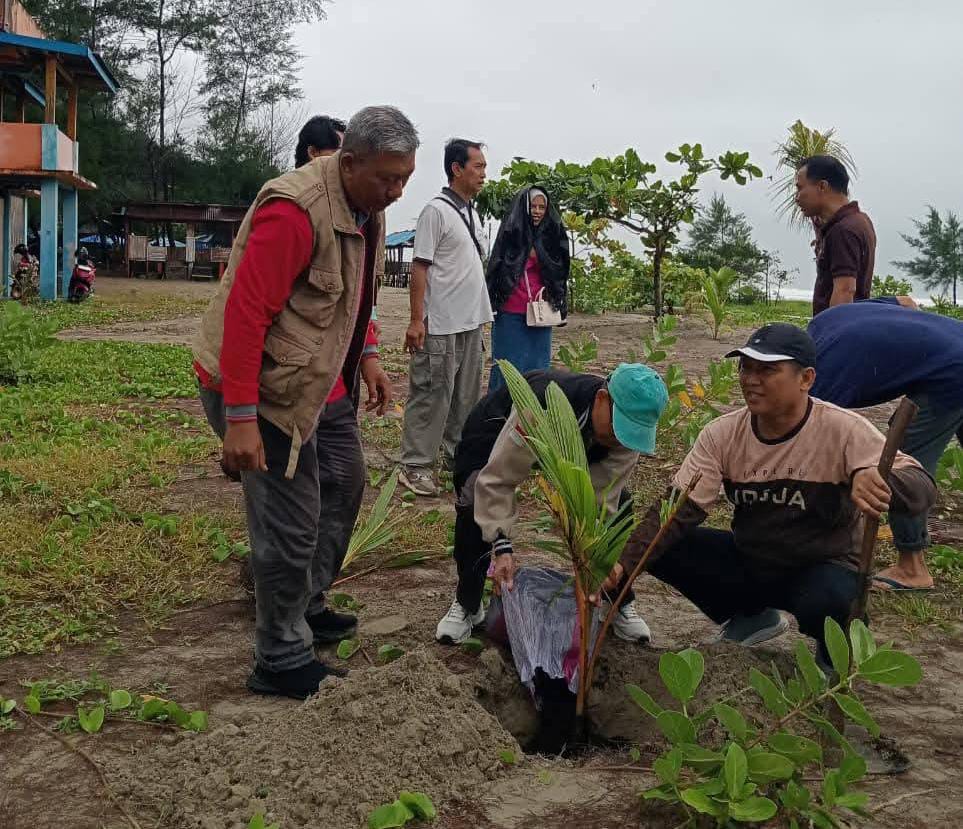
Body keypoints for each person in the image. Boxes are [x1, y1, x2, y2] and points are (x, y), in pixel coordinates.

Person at [192, 106, 418, 699]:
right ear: (349, 163)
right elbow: (246, 316)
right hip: (260, 389)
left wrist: (368, 356)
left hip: (320, 382)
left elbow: (354, 296)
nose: (396, 190)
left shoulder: (369, 207)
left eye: (404, 178)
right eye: (387, 178)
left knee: (344, 482)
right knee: (289, 524)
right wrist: (239, 420)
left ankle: (305, 604)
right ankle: (280, 656)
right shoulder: (294, 213)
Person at [599, 324, 937, 667]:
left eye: (767, 369)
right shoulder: (723, 434)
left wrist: (877, 479)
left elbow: (921, 484)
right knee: (666, 545)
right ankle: (752, 617)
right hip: (753, 559)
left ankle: (832, 656)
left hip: (821, 567)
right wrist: (623, 567)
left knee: (834, 598)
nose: (750, 379)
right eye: (746, 367)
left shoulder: (841, 429)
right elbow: (675, 511)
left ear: (805, 379)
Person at [435, 364, 668, 645]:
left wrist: (590, 570)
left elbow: (601, 502)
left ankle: (616, 599)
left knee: (621, 509)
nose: (622, 438)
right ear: (602, 399)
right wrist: (502, 547)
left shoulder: (625, 441)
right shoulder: (542, 404)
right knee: (473, 496)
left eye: (632, 433)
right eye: (620, 427)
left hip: (579, 442)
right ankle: (468, 604)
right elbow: (499, 480)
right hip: (499, 427)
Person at [809, 298, 963, 590]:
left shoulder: (820, 377)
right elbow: (906, 302)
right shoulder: (824, 321)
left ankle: (912, 567)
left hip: (951, 372)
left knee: (903, 462)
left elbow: (816, 442)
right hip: (956, 342)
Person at [399, 139, 494, 497]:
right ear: (457, 169)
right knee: (432, 394)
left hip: (470, 322)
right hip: (439, 323)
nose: (484, 174)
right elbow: (419, 267)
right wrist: (415, 320)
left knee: (465, 398)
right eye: (478, 167)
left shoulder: (470, 212)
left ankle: (458, 457)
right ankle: (416, 465)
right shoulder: (435, 212)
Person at [486, 187, 570, 391]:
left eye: (542, 207)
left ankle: (530, 418)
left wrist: (540, 255)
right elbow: (496, 268)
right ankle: (499, 416)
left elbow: (560, 272)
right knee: (506, 368)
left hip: (541, 315)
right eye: (533, 206)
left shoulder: (552, 237)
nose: (538, 211)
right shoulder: (510, 235)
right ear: (524, 208)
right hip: (510, 314)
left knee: (538, 370)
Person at [795, 155, 876, 316]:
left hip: (841, 330)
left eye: (800, 188)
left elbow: (845, 290)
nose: (797, 198)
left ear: (822, 186)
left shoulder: (843, 230)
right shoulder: (860, 221)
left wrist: (831, 332)